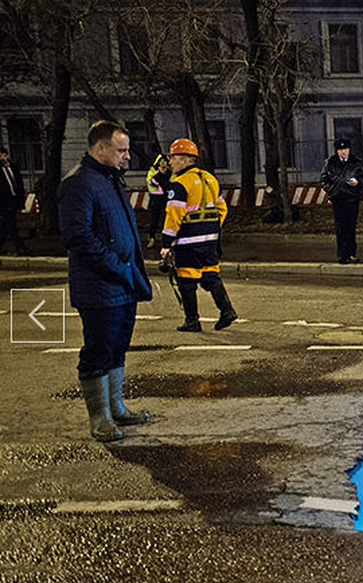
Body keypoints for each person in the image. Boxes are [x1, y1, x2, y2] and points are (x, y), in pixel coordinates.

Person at [59, 121, 153, 442]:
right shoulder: (79, 183)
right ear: (100, 148)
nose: (127, 156)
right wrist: (117, 266)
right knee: (98, 350)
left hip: (122, 283)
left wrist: (129, 272)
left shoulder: (109, 179)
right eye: (121, 150)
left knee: (117, 347)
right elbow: (78, 236)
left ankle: (116, 406)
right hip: (99, 286)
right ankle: (99, 418)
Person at [160, 138, 237, 333]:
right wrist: (211, 227)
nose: (170, 162)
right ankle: (227, 311)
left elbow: (173, 215)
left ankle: (192, 321)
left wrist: (166, 243)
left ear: (186, 160)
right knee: (211, 274)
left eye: (174, 158)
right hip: (210, 239)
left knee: (186, 280)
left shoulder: (179, 184)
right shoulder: (210, 179)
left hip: (187, 241)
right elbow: (222, 208)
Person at [320, 138, 363, 264]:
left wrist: (358, 183)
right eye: (340, 150)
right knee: (340, 227)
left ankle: (351, 253)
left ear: (349, 149)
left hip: (352, 198)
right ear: (337, 151)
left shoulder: (357, 162)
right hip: (338, 199)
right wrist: (331, 191)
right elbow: (323, 179)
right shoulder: (330, 163)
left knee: (351, 227)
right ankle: (342, 255)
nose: (343, 152)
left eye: (345, 149)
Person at [0, 146, 31, 256]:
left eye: (3, 155)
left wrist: (20, 199)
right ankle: (20, 247)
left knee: (6, 225)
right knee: (11, 224)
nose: (2, 158)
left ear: (6, 155)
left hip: (14, 199)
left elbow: (18, 183)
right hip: (4, 201)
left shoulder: (12, 167)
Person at [144, 154, 171, 250]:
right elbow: (153, 183)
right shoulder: (152, 171)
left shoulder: (170, 172)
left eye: (165, 160)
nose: (163, 162)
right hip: (155, 198)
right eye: (161, 160)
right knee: (154, 220)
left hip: (165, 198)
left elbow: (170, 184)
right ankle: (152, 238)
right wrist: (160, 175)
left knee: (166, 220)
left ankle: (165, 241)